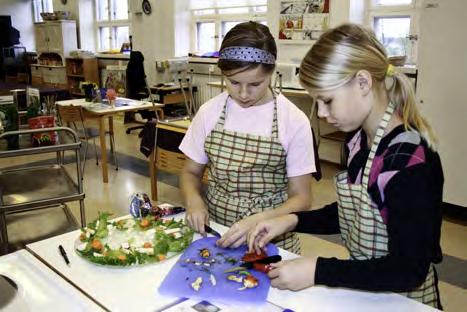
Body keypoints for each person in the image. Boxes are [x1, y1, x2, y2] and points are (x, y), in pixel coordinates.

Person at [247, 23, 443, 309]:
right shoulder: (358, 140)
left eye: (327, 101)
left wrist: (317, 270)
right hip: (364, 286)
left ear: (363, 82)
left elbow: (407, 270)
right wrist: (293, 220)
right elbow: (358, 212)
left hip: (404, 300)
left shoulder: (409, 162)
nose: (323, 114)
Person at [179, 21, 317, 253]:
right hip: (217, 235)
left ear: (271, 72)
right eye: (233, 83)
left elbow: (301, 199)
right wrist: (194, 201)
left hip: (272, 242)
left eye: (255, 84)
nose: (243, 94)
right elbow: (190, 172)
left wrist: (259, 220)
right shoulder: (209, 112)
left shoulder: (293, 120)